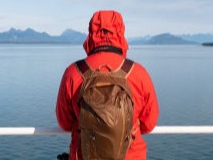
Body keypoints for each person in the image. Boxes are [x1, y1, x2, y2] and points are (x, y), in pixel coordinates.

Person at [56, 10, 159, 160]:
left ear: (91, 34)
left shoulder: (73, 73)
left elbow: (64, 122)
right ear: (121, 33)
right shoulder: (138, 73)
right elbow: (149, 124)